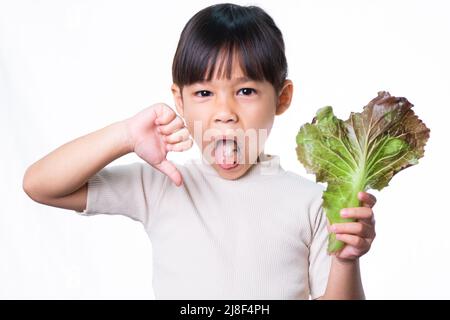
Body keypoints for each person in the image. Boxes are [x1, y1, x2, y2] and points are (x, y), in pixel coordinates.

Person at [23, 3, 376, 299]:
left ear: (281, 98)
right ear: (179, 100)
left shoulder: (313, 202)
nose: (224, 111)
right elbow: (40, 185)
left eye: (246, 91)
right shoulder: (162, 185)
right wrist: (125, 135)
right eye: (204, 93)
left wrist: (345, 260)